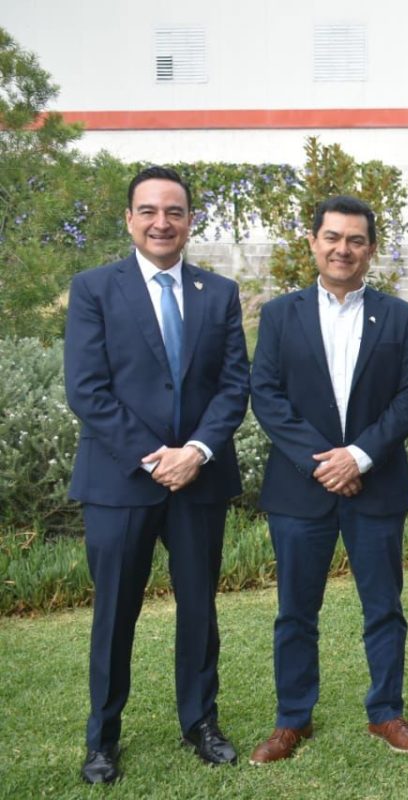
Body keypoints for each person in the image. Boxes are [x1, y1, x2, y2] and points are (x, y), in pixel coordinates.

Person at [64, 166, 250, 784]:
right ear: (129, 219)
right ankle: (103, 738)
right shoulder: (94, 289)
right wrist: (154, 456)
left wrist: (195, 451)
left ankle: (200, 722)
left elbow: (234, 385)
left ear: (190, 221)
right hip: (119, 482)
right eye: (148, 211)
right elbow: (87, 390)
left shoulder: (217, 293)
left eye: (174, 211)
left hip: (200, 479)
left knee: (199, 608)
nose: (161, 222)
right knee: (114, 614)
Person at [247, 196, 408, 764]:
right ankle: (291, 719)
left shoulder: (399, 317)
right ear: (313, 242)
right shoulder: (280, 314)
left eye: (355, 240)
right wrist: (324, 462)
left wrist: (359, 457)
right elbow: (266, 395)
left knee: (385, 608)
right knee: (295, 612)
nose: (342, 249)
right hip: (300, 490)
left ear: (370, 249)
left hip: (376, 485)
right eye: (332, 237)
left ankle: (386, 713)